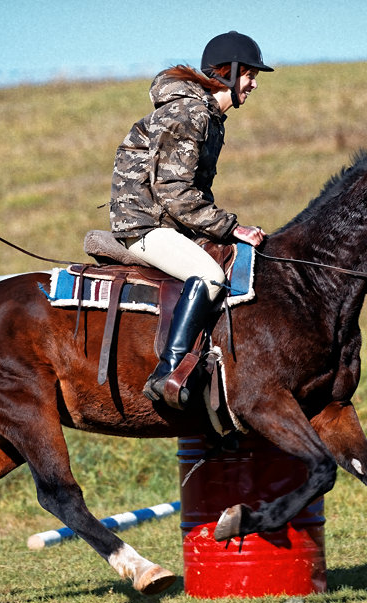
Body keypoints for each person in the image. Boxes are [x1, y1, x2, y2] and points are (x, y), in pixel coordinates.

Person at [109, 31, 272, 406]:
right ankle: (167, 372)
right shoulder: (189, 113)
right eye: (250, 74)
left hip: (169, 222)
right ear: (228, 74)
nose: (254, 84)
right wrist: (233, 228)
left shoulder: (210, 117)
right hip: (145, 225)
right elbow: (174, 193)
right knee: (211, 275)